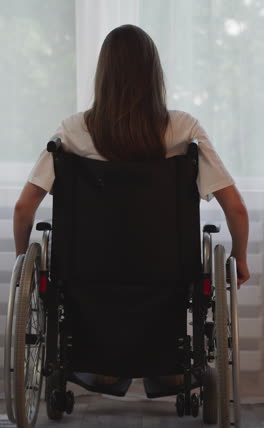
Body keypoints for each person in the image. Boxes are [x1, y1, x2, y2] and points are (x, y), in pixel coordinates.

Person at [13, 24, 250, 387]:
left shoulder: (73, 132)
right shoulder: (183, 130)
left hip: (87, 272)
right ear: (154, 74)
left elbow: (23, 208)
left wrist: (22, 268)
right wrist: (242, 258)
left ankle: (99, 364)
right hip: (166, 271)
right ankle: (167, 367)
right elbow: (235, 207)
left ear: (103, 74)